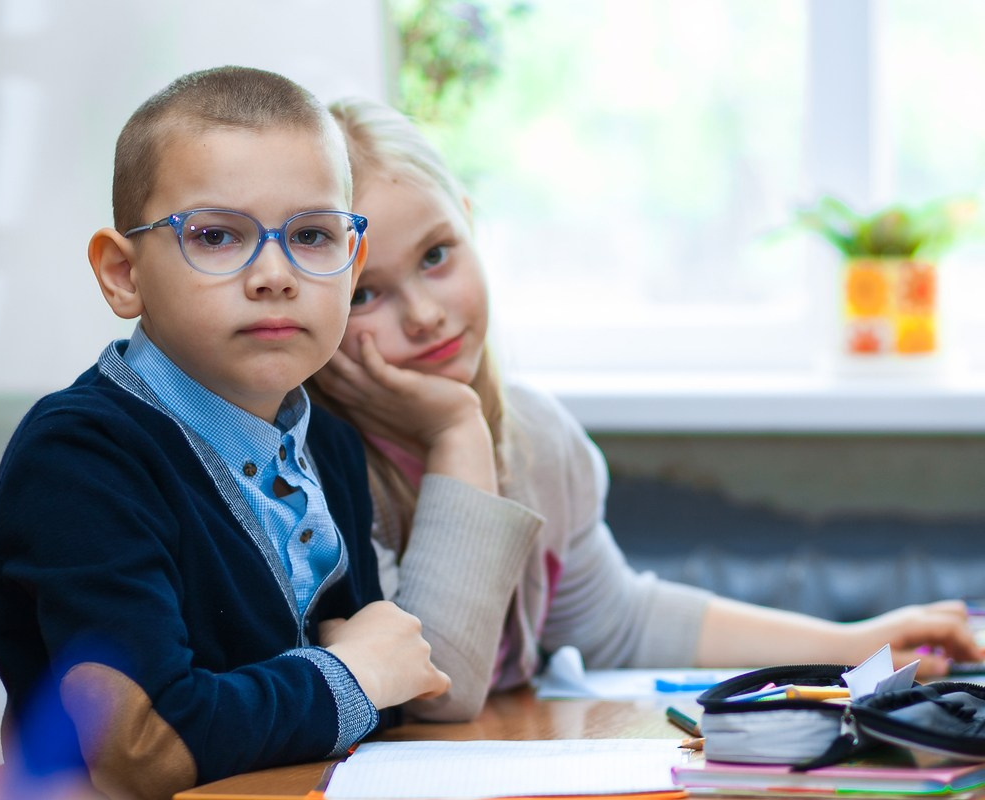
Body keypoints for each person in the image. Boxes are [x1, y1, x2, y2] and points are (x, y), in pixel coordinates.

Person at [308, 96, 984, 723]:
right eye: (366, 293)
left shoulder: (537, 436)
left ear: (469, 218)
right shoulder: (315, 472)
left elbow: (616, 621)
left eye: (437, 254)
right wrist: (456, 431)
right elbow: (440, 691)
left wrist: (851, 645)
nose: (426, 315)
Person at [0, 68, 449, 798]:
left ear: (350, 269)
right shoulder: (79, 458)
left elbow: (373, 694)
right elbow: (141, 750)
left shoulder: (330, 446)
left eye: (313, 235)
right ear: (122, 274)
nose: (274, 275)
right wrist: (354, 677)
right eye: (217, 236)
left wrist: (362, 679)